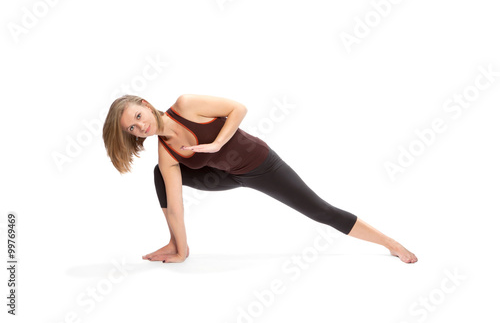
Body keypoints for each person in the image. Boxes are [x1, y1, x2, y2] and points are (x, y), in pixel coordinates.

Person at [102, 94, 418, 264]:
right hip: (225, 176)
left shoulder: (186, 105)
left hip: (261, 165)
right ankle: (178, 246)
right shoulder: (166, 153)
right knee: (161, 175)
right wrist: (181, 246)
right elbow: (176, 207)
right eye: (132, 129)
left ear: (145, 105)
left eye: (138, 118)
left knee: (319, 210)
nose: (140, 128)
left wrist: (216, 144)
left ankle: (391, 244)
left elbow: (237, 108)